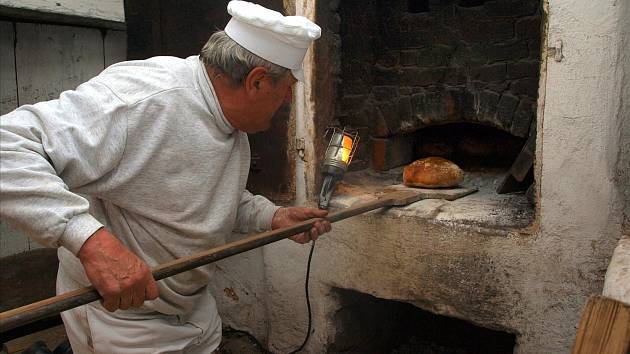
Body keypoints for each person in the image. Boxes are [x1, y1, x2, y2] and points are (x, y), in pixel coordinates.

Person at [0, 1, 329, 352]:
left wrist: (273, 216)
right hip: (124, 319)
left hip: (193, 305)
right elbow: (8, 146)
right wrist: (91, 241)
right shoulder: (141, 99)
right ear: (257, 82)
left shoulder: (228, 119)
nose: (284, 109)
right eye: (284, 95)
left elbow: (200, 198)